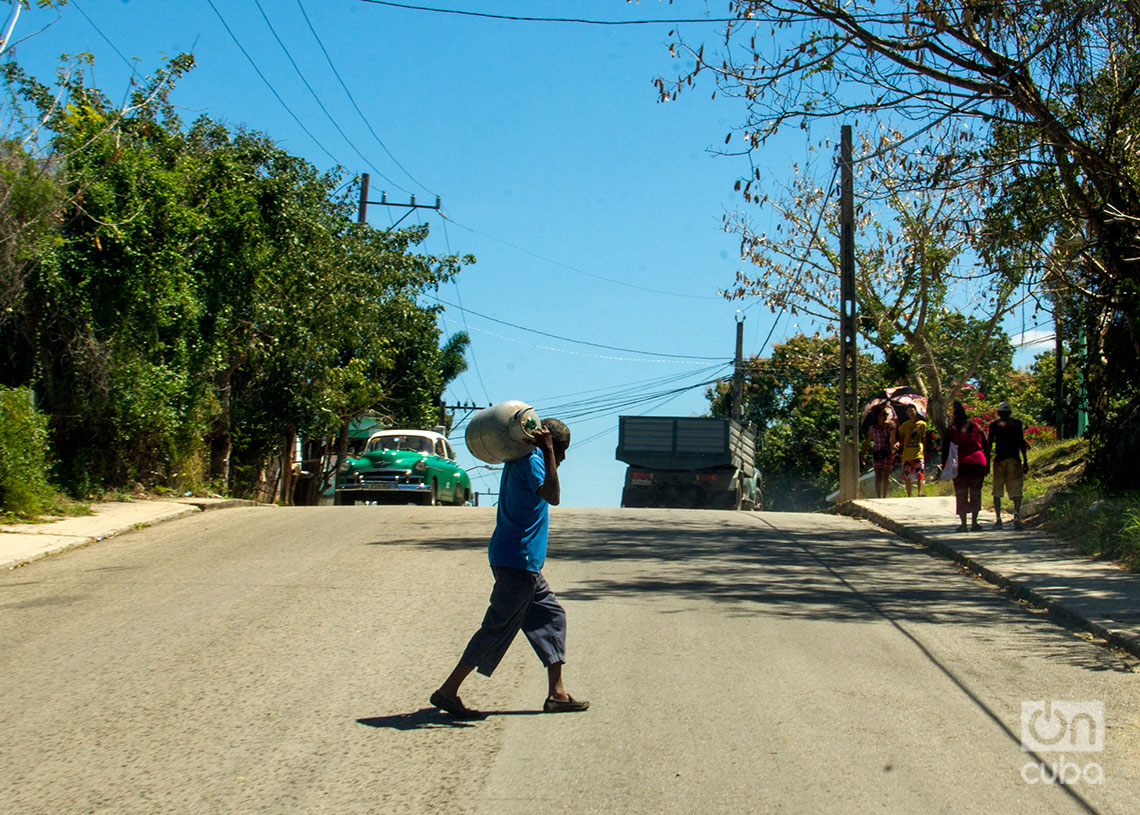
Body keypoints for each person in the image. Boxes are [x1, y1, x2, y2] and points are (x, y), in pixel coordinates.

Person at [431, 418, 589, 719]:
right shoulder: (533, 463)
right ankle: (448, 691)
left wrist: (549, 453)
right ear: (550, 446)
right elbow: (553, 496)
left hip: (519, 561)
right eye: (563, 451)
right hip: (519, 561)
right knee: (497, 626)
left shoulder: (524, 461)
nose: (564, 458)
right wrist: (549, 454)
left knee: (552, 615)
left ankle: (557, 693)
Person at [941, 401, 989, 532]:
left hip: (961, 465)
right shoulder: (977, 427)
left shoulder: (951, 430)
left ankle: (963, 525)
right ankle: (974, 523)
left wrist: (945, 466)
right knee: (975, 492)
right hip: (978, 463)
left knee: (961, 493)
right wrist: (988, 465)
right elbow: (986, 447)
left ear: (954, 418)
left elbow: (945, 450)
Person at [988, 401, 1030, 530]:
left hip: (999, 460)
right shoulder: (1016, 424)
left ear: (999, 413)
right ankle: (1016, 516)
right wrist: (1025, 460)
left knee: (997, 491)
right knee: (1016, 490)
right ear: (1010, 413)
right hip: (1014, 459)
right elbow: (1021, 442)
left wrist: (987, 459)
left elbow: (989, 443)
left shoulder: (994, 425)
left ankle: (998, 519)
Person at [862, 405, 898, 498]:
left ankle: (884, 496)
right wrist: (863, 456)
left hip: (887, 453)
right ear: (878, 415)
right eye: (883, 414)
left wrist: (894, 445)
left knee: (886, 476)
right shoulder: (873, 428)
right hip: (877, 453)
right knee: (878, 475)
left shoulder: (889, 427)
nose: (885, 416)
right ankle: (879, 496)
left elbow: (893, 440)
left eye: (886, 414)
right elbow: (867, 442)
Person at [897, 404, 928, 497]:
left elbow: (923, 438)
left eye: (912, 410)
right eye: (909, 412)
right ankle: (909, 495)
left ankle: (920, 493)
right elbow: (901, 438)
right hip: (907, 453)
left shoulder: (922, 424)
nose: (911, 413)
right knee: (907, 476)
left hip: (918, 452)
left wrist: (924, 450)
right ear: (907, 414)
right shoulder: (905, 425)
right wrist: (897, 443)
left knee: (919, 473)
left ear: (916, 411)